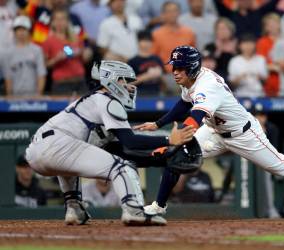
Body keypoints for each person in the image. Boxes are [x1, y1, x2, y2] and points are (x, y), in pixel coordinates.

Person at [134, 45, 284, 219]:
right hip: (214, 130)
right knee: (176, 156)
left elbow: (195, 118)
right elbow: (184, 102)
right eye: (174, 67)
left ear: (191, 68)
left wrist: (173, 140)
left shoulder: (207, 85)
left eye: (180, 68)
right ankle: (158, 207)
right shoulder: (190, 78)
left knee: (283, 168)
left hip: (243, 134)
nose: (175, 72)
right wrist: (158, 124)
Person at [25, 60, 195, 226]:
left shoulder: (94, 101)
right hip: (58, 144)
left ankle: (74, 208)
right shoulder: (107, 100)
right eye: (124, 80)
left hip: (38, 150)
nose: (130, 86)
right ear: (111, 81)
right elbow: (131, 141)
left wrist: (162, 157)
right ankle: (134, 211)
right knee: (123, 168)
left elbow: (121, 150)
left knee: (74, 162)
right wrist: (169, 140)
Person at [42, 9, 91, 95]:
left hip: (80, 81)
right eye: (57, 19)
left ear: (67, 21)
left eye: (62, 19)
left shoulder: (77, 38)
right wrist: (56, 59)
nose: (60, 22)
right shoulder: (48, 41)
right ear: (52, 22)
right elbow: (44, 65)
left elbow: (85, 60)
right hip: (61, 84)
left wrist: (85, 54)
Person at [4, 15, 46, 96]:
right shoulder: (8, 52)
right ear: (14, 32)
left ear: (29, 31)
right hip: (15, 96)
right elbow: (8, 77)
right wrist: (9, 96)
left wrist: (39, 95)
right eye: (18, 29)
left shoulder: (37, 50)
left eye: (24, 29)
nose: (21, 32)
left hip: (34, 95)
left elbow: (41, 74)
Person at [127, 30, 166, 96]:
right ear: (139, 42)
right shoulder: (132, 61)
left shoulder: (157, 59)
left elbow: (164, 83)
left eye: (149, 41)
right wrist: (146, 76)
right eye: (144, 41)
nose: (146, 44)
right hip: (139, 94)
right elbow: (128, 84)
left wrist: (160, 75)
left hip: (156, 93)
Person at [228, 33, 268, 97]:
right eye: (245, 43)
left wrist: (259, 77)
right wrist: (240, 78)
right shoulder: (234, 61)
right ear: (240, 46)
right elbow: (231, 84)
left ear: (255, 45)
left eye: (251, 43)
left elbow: (265, 81)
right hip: (240, 95)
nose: (248, 46)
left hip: (259, 95)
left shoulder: (261, 59)